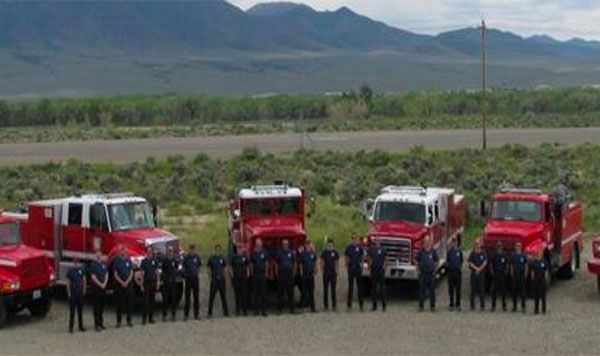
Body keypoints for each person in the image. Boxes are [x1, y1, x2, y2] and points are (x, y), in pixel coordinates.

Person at [415, 236, 439, 312]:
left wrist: (435, 269)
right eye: (425, 241)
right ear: (424, 243)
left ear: (430, 242)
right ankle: (421, 306)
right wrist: (418, 269)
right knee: (422, 291)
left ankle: (432, 306)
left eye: (428, 241)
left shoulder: (433, 251)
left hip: (431, 274)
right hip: (423, 274)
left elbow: (437, 260)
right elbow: (416, 260)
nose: (427, 243)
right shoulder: (421, 251)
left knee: (432, 291)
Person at [113, 245, 134, 327]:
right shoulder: (116, 261)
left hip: (128, 285)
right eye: (122, 251)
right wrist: (122, 282)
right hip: (119, 285)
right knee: (119, 304)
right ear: (120, 252)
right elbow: (115, 274)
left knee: (129, 303)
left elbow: (131, 272)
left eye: (125, 251)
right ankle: (119, 321)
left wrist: (127, 281)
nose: (124, 252)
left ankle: (129, 320)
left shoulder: (129, 260)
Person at [207, 244, 229, 317]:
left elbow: (225, 268)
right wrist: (210, 277)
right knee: (212, 297)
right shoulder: (211, 258)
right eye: (216, 250)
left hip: (221, 280)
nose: (218, 251)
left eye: (219, 250)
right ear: (214, 250)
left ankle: (226, 313)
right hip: (214, 280)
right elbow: (209, 268)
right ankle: (209, 313)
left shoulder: (222, 258)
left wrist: (225, 277)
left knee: (223, 297)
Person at [89, 249, 108, 331]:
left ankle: (101, 323)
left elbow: (106, 274)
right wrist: (100, 284)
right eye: (97, 253)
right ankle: (96, 325)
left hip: (103, 288)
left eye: (100, 253)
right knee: (96, 307)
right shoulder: (93, 264)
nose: (99, 255)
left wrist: (104, 284)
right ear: (95, 255)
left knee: (102, 307)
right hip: (96, 288)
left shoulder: (103, 263)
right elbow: (93, 277)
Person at [345, 234, 364, 312]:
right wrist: (347, 265)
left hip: (358, 269)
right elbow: (346, 257)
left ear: (357, 239)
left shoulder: (359, 247)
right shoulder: (348, 248)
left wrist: (361, 264)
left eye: (355, 238)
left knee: (360, 288)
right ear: (351, 239)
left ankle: (361, 306)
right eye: (352, 238)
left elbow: (362, 256)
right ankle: (349, 306)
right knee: (350, 288)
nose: (354, 239)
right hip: (351, 269)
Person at [140, 247, 160, 324]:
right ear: (146, 252)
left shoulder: (155, 261)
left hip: (153, 282)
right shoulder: (144, 261)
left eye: (150, 251)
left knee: (152, 301)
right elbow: (142, 273)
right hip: (146, 282)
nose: (149, 252)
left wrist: (158, 282)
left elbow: (157, 272)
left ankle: (151, 318)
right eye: (148, 251)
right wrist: (141, 284)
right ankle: (144, 319)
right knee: (145, 301)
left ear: (152, 252)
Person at [182, 244, 202, 321]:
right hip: (188, 279)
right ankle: (186, 315)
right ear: (189, 249)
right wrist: (185, 274)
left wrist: (196, 272)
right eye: (191, 249)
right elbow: (183, 267)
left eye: (193, 249)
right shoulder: (186, 257)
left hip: (195, 278)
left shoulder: (197, 257)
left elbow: (199, 266)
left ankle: (196, 314)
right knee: (187, 298)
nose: (192, 250)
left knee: (196, 297)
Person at [67, 257, 86, 333]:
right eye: (75, 262)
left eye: (77, 262)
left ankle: (81, 326)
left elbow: (84, 281)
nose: (76, 263)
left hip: (80, 293)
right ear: (73, 262)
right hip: (73, 293)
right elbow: (68, 283)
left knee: (80, 311)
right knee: (72, 312)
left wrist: (84, 291)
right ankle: (71, 328)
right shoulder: (70, 271)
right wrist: (69, 293)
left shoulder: (81, 270)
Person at [276, 239, 296, 314]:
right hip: (281, 275)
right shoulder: (279, 253)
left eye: (286, 244)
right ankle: (279, 309)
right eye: (284, 244)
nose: (285, 245)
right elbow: (276, 264)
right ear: (282, 245)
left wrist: (293, 272)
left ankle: (292, 309)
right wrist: (277, 273)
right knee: (280, 292)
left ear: (288, 245)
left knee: (290, 292)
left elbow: (294, 262)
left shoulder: (291, 253)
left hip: (289, 275)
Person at [468, 238, 487, 311]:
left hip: (481, 274)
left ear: (480, 244)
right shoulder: (472, 253)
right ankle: (472, 306)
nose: (477, 245)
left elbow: (485, 262)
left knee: (481, 290)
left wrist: (479, 269)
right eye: (476, 244)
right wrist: (476, 269)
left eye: (478, 243)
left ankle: (482, 306)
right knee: (473, 290)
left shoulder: (483, 253)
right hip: (474, 274)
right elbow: (470, 262)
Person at [368, 240, 387, 312]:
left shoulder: (383, 249)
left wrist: (384, 267)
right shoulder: (372, 249)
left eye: (378, 241)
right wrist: (369, 268)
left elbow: (386, 259)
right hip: (374, 271)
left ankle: (384, 306)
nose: (377, 242)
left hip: (381, 271)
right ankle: (374, 306)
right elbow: (369, 259)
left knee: (382, 289)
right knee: (374, 289)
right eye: (376, 241)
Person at [320, 238, 339, 311]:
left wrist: (337, 270)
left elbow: (337, 262)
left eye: (331, 244)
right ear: (327, 244)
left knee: (333, 290)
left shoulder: (335, 252)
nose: (330, 245)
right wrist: (322, 270)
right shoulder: (324, 252)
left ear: (333, 245)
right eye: (329, 244)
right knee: (325, 290)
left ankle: (334, 305)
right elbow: (321, 261)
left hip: (333, 273)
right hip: (326, 273)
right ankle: (326, 306)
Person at [161, 246, 179, 322]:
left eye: (171, 251)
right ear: (167, 251)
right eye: (169, 251)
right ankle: (164, 315)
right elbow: (163, 270)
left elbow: (176, 268)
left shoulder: (175, 260)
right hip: (166, 282)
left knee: (173, 299)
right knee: (165, 299)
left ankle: (173, 315)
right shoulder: (164, 260)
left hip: (173, 282)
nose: (170, 252)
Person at [251, 239, 268, 317]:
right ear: (255, 244)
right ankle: (256, 311)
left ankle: (263, 310)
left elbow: (266, 263)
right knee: (255, 293)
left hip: (262, 275)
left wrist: (266, 273)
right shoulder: (253, 253)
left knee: (263, 293)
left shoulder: (264, 252)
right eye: (257, 243)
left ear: (262, 244)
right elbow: (251, 264)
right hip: (255, 275)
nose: (259, 245)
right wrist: (251, 273)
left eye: (260, 243)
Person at [230, 249, 250, 316]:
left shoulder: (245, 257)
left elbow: (247, 266)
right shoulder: (234, 257)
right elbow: (231, 267)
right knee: (237, 295)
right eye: (239, 249)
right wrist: (232, 277)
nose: (240, 250)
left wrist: (248, 275)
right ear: (237, 250)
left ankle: (245, 311)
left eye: (241, 249)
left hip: (243, 278)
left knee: (244, 295)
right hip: (236, 277)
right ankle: (237, 310)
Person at [446, 237, 463, 311]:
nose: (454, 243)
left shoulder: (460, 252)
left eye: (455, 241)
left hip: (458, 273)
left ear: (457, 242)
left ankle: (458, 304)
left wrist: (459, 267)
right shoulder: (449, 252)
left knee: (458, 289)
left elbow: (461, 261)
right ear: (452, 243)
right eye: (453, 242)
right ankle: (451, 304)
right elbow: (447, 262)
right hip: (450, 273)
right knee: (451, 289)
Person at [300, 241, 318, 312]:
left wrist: (316, 269)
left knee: (311, 292)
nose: (308, 247)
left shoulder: (313, 254)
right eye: (307, 245)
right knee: (304, 291)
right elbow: (301, 264)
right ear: (305, 246)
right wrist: (301, 272)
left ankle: (312, 308)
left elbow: (315, 262)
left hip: (311, 275)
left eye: (309, 245)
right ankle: (303, 306)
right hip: (304, 274)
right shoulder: (303, 254)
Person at [510, 242, 528, 313]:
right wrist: (511, 272)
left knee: (523, 291)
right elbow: (511, 265)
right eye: (517, 246)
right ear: (515, 247)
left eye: (519, 246)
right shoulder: (513, 255)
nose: (518, 247)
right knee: (514, 291)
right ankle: (514, 306)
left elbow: (526, 265)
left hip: (522, 275)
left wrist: (526, 273)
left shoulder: (524, 255)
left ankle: (523, 307)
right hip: (515, 274)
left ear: (521, 247)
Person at [491, 242, 508, 312]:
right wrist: (492, 272)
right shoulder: (494, 255)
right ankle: (493, 306)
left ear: (502, 247)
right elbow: (491, 264)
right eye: (498, 246)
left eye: (500, 246)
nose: (499, 247)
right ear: (496, 247)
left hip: (502, 275)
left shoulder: (504, 255)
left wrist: (506, 272)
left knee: (503, 291)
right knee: (494, 291)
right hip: (495, 275)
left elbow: (507, 264)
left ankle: (504, 306)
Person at [531, 250, 549, 314]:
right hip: (536, 280)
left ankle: (543, 310)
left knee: (543, 296)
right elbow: (532, 271)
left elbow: (546, 271)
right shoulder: (534, 262)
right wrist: (533, 279)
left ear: (541, 254)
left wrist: (545, 279)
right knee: (536, 296)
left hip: (542, 280)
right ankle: (536, 310)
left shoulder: (544, 262)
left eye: (540, 253)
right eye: (537, 253)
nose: (539, 254)